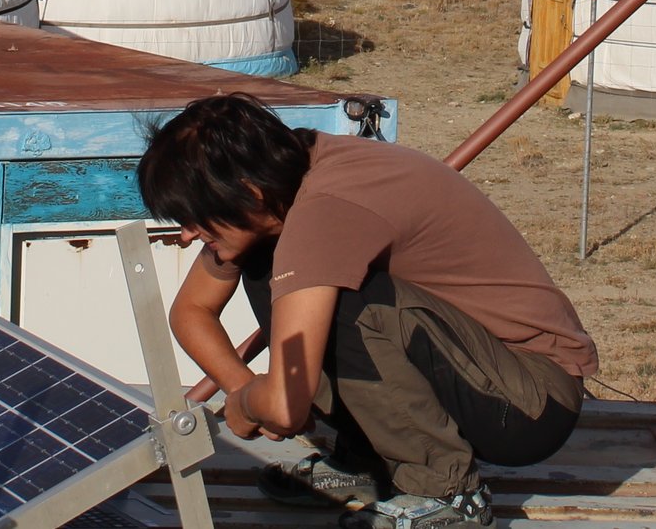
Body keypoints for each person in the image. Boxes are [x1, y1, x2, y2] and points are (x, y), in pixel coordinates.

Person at [136, 95, 594, 529]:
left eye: (195, 221)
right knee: (271, 263)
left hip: (530, 401)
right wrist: (243, 386)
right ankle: (367, 458)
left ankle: (448, 494)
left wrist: (248, 403)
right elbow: (191, 311)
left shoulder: (324, 210)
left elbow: (286, 408)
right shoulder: (284, 181)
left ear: (248, 194)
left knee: (346, 304)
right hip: (474, 374)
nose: (187, 236)